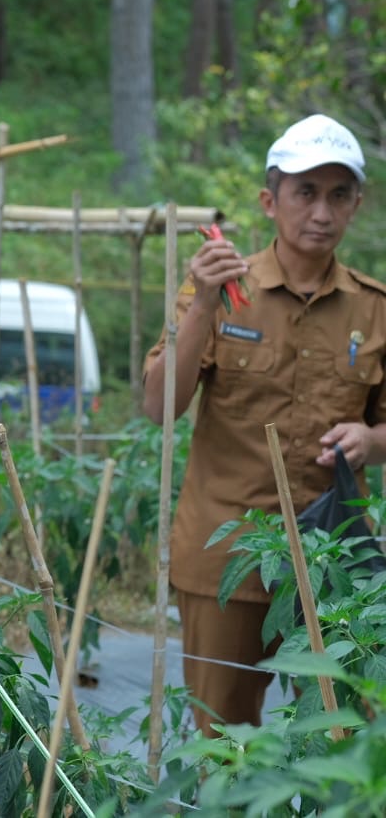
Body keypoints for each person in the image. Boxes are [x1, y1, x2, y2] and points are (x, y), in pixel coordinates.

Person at [142, 113, 386, 737]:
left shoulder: (374, 308)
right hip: (227, 558)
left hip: (335, 560)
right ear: (269, 201)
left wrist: (371, 439)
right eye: (305, 193)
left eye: (338, 195)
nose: (322, 212)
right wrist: (201, 300)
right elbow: (160, 406)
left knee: (342, 737)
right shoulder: (221, 289)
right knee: (225, 742)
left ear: (357, 203)